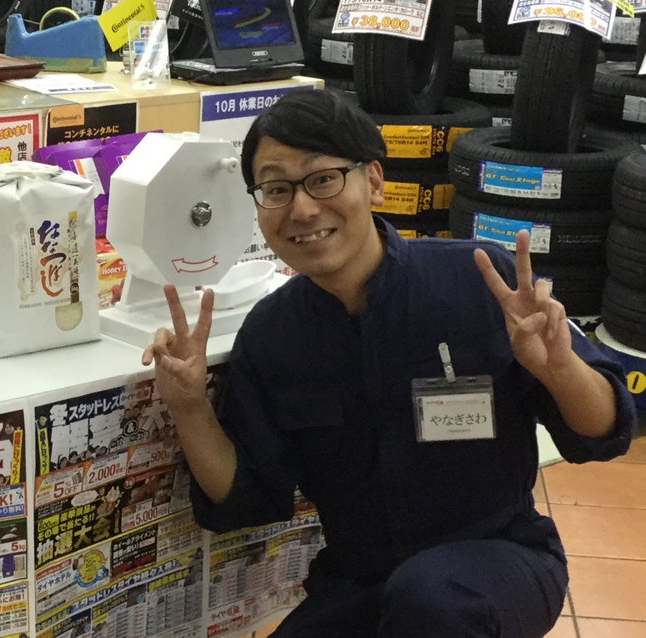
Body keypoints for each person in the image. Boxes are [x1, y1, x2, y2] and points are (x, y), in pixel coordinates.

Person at [141, 89, 636, 637]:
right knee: (409, 601)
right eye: (276, 189)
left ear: (374, 182)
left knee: (432, 602)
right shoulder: (272, 336)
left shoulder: (478, 282)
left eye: (323, 178)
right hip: (362, 581)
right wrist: (189, 407)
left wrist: (559, 368)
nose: (302, 209)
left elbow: (604, 431)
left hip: (501, 559)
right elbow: (247, 498)